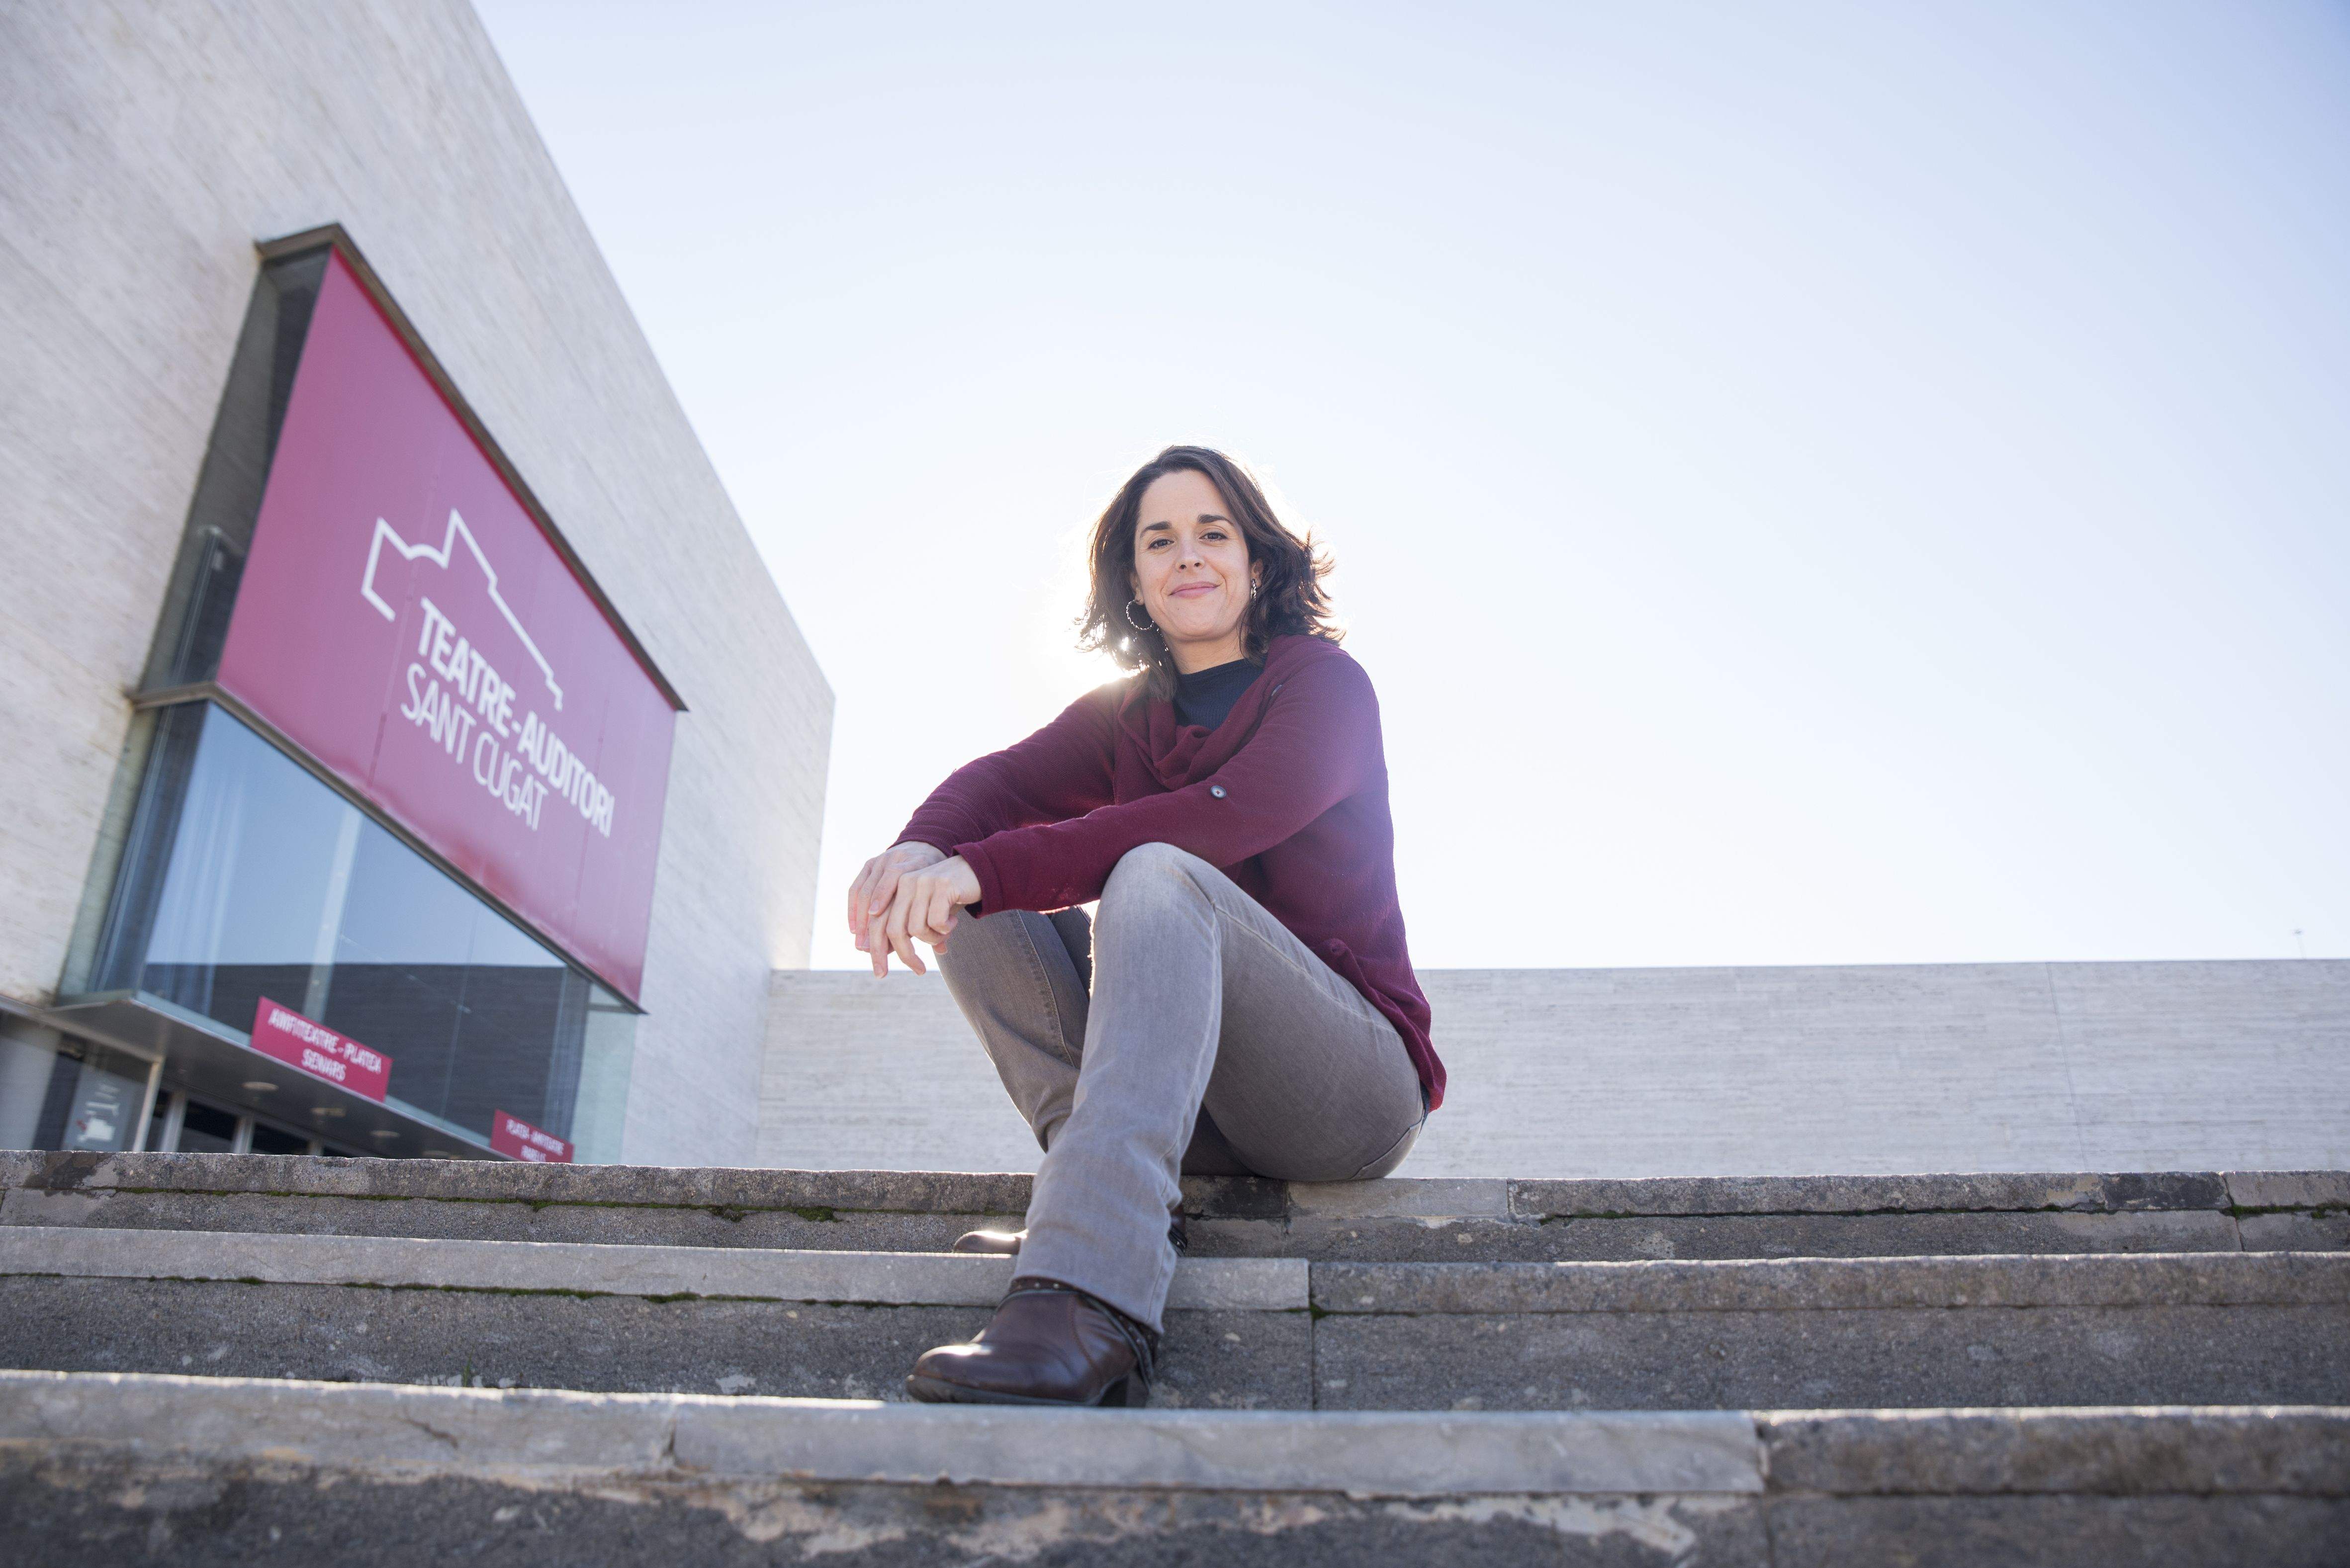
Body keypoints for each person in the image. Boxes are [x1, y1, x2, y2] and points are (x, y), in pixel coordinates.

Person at [846, 444, 1444, 1407]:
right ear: (1133, 578)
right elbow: (999, 783)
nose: (1187, 557)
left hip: (1347, 1089)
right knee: (973, 906)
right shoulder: (1125, 716)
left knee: (1160, 871)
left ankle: (1089, 1297)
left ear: (1256, 560)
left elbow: (1219, 814)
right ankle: (1108, 1208)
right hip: (1197, 1102)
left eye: (1213, 533)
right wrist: (919, 851)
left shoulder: (1324, 688)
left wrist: (983, 863)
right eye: (1158, 541)